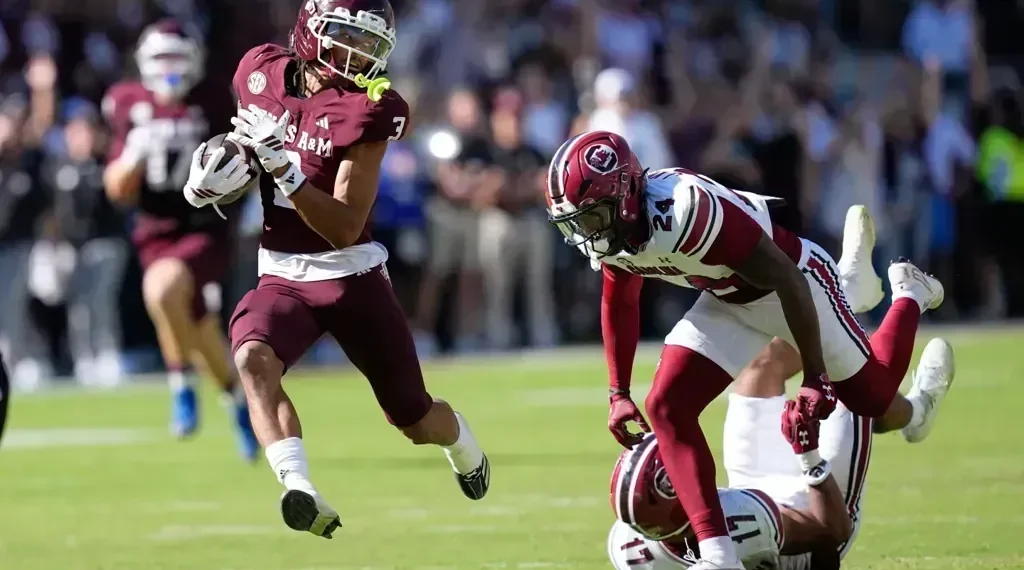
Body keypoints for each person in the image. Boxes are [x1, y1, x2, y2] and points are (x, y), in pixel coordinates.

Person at [546, 131, 943, 569]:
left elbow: (788, 280)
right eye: (577, 222)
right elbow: (618, 299)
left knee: (871, 397)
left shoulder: (686, 210)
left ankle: (910, 293)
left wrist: (816, 377)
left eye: (592, 217)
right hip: (725, 296)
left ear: (624, 195)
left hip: (791, 282)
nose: (586, 232)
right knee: (665, 405)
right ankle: (719, 556)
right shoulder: (617, 232)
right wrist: (618, 393)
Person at [181, 0, 490, 540]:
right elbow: (245, 145)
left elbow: (346, 225)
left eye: (372, 45)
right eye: (350, 37)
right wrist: (221, 165)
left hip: (351, 275)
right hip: (281, 273)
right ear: (312, 29)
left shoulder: (369, 109)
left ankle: (462, 442)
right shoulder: (260, 72)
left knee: (414, 420)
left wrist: (286, 170)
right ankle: (298, 486)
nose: (360, 55)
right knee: (252, 356)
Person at [607, 328, 955, 570]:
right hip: (817, 518)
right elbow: (830, 534)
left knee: (763, 364)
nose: (687, 455)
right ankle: (916, 412)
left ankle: (839, 294)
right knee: (848, 378)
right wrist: (809, 455)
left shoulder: (627, 542)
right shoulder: (741, 521)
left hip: (754, 493)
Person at [102, 19, 257, 460]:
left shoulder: (212, 100)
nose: (170, 70)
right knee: (195, 321)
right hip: (155, 230)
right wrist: (135, 151)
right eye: (161, 60)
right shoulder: (127, 102)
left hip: (206, 226)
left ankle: (181, 385)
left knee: (163, 289)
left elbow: (245, 170)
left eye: (177, 59)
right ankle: (234, 397)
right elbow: (116, 189)